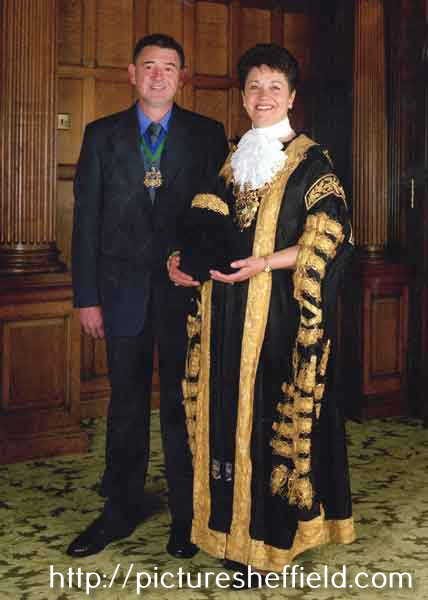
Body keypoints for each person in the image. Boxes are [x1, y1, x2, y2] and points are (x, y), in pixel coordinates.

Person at [169, 43, 356, 586]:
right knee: (227, 418)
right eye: (254, 86)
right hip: (224, 315)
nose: (263, 96)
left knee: (264, 425)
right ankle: (229, 534)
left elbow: (330, 238)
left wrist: (265, 264)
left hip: (277, 318)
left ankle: (268, 546)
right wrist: (182, 260)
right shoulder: (230, 159)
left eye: (275, 87)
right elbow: (205, 226)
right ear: (243, 96)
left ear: (292, 97)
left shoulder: (313, 164)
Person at [68, 33, 229, 559]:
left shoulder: (207, 134)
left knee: (183, 407)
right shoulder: (101, 135)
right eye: (149, 66)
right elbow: (86, 222)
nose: (159, 76)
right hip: (120, 294)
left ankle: (187, 516)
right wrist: (86, 298)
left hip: (186, 295)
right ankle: (119, 510)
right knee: (126, 405)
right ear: (132, 74)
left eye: (169, 67)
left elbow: (218, 215)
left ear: (182, 77)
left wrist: (197, 267)